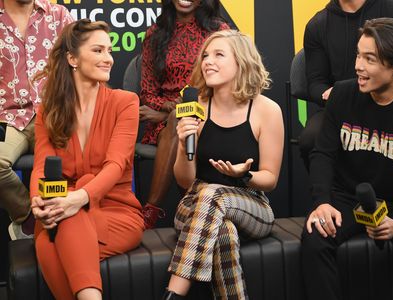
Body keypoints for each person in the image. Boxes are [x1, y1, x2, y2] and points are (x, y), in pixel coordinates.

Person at [301, 18, 393, 300]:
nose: (358, 65)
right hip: (348, 199)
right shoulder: (343, 94)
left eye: (370, 59)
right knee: (315, 239)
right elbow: (323, 155)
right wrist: (322, 203)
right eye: (358, 55)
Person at [162, 29, 284, 300]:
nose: (207, 61)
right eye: (205, 55)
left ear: (241, 62)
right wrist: (183, 146)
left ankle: (173, 294)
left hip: (252, 204)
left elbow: (271, 179)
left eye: (219, 55)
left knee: (213, 194)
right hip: (195, 206)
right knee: (223, 230)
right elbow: (184, 182)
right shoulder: (196, 107)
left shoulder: (267, 110)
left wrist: (245, 175)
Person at [30, 19, 144, 300]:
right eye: (98, 50)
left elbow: (116, 165)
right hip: (61, 207)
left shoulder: (125, 102)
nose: (109, 59)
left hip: (116, 212)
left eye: (109, 50)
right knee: (56, 230)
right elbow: (41, 167)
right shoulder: (49, 111)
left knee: (52, 238)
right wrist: (37, 201)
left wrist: (77, 199)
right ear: (72, 58)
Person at [299, 0, 393, 170]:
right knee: (311, 138)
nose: (359, 65)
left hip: (392, 107)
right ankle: (332, 194)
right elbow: (316, 83)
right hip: (342, 110)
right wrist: (338, 96)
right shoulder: (318, 25)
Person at [139, 0, 229, 229]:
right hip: (167, 123)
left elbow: (228, 82)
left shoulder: (218, 32)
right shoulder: (156, 34)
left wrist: (163, 113)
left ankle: (158, 209)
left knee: (179, 118)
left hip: (211, 112)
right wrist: (170, 108)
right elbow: (148, 92)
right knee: (178, 120)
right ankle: (167, 212)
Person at [0, 0, 73, 240]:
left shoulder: (59, 15)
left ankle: (70, 225)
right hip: (8, 117)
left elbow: (79, 61)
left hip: (54, 114)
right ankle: (29, 219)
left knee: (77, 164)